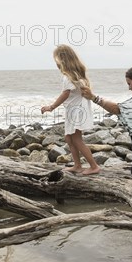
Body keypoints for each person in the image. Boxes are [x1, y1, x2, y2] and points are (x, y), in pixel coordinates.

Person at [41, 45, 101, 175]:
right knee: (68, 137)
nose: (55, 64)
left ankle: (94, 166)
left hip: (76, 111)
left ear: (62, 60)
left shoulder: (68, 76)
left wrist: (51, 107)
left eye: (56, 60)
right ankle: (77, 165)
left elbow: (65, 94)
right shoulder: (76, 75)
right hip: (75, 110)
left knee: (76, 139)